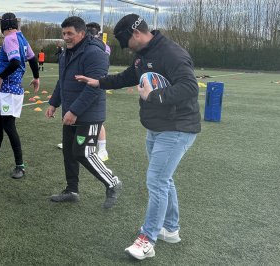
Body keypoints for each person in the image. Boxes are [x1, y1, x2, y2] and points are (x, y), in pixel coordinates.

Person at [75, 14, 201, 260]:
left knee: (156, 181)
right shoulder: (143, 55)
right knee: (164, 180)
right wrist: (98, 82)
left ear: (136, 35)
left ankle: (148, 239)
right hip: (157, 127)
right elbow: (126, 78)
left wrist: (153, 96)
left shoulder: (171, 54)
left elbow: (189, 87)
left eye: (126, 44)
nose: (126, 49)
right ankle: (171, 229)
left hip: (177, 128)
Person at [46, 16, 122, 209]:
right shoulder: (65, 54)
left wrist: (74, 111)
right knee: (69, 153)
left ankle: (112, 182)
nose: (66, 37)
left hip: (88, 114)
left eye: (70, 33)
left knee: (83, 153)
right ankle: (72, 190)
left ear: (81, 33)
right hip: (70, 112)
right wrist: (54, 103)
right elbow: (62, 82)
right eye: (64, 33)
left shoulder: (95, 53)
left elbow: (94, 88)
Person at [0, 12, 39, 179]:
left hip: (8, 91)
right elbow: (32, 59)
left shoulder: (10, 38)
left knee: (8, 125)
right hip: (3, 91)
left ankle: (20, 166)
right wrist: (36, 77)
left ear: (3, 26)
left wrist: (0, 77)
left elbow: (15, 62)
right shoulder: (21, 38)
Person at [87, 22, 112, 160]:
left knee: (97, 120)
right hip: (83, 83)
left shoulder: (104, 47)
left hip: (98, 82)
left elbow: (101, 64)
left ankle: (103, 150)